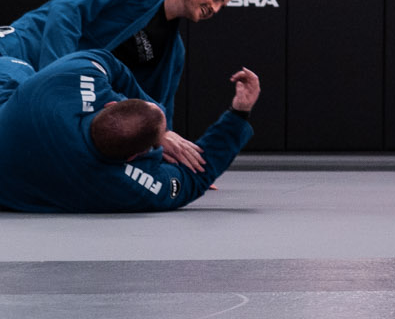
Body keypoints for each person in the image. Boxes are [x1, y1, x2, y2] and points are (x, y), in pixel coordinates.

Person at [0, 0, 234, 173]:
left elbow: (157, 107)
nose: (214, 9)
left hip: (48, 88)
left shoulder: (173, 52)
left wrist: (171, 160)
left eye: (221, 8)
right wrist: (55, 80)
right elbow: (67, 10)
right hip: (16, 51)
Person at [0, 48, 258, 213]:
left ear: (109, 105)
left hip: (12, 116)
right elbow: (194, 177)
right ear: (134, 156)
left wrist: (159, 130)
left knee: (16, 67)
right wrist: (238, 113)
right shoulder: (121, 187)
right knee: (17, 69)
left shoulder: (72, 77)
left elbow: (105, 60)